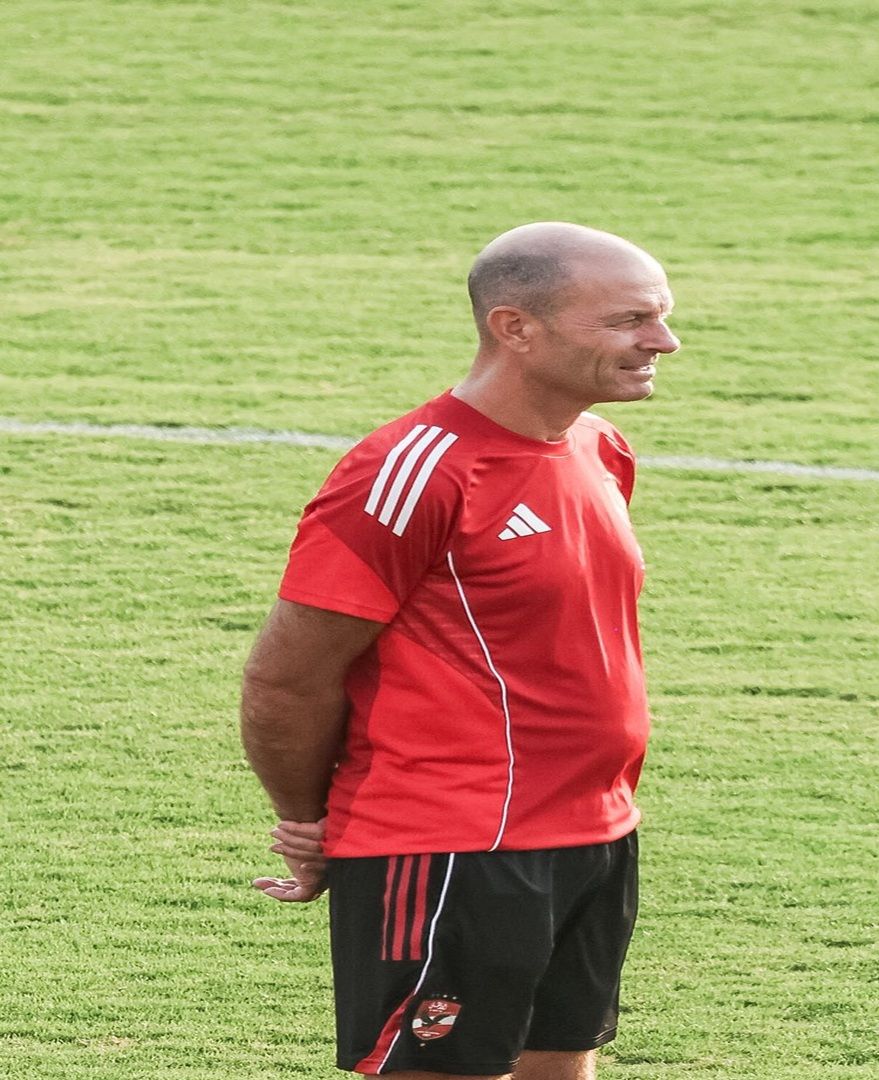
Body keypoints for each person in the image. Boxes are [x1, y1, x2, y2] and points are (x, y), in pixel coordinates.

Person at [241, 221, 680, 1080]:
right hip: (456, 841)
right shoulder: (412, 471)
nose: (662, 341)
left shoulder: (598, 448)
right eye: (630, 320)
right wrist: (308, 817)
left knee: (559, 1064)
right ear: (516, 327)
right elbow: (288, 677)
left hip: (594, 830)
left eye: (659, 317)